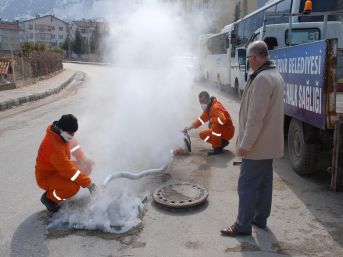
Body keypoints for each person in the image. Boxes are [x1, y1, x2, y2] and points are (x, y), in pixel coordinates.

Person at [221, 41, 284, 236]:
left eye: (249, 58)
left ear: (255, 58)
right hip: (268, 144)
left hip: (257, 144)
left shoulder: (263, 79)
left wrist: (245, 144)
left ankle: (242, 225)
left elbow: (256, 117)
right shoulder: (274, 75)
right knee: (264, 183)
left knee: (246, 185)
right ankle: (259, 219)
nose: (248, 62)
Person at [35, 114, 96, 213]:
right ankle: (50, 198)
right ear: (61, 129)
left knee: (86, 167)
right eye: (70, 133)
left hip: (59, 168)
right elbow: (69, 171)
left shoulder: (63, 134)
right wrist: (89, 185)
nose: (72, 135)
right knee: (72, 188)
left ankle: (63, 189)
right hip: (47, 176)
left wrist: (83, 159)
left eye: (73, 133)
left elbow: (74, 146)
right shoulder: (53, 147)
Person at [184, 91, 235, 155]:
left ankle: (217, 148)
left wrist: (212, 120)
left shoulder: (215, 107)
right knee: (202, 135)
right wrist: (189, 128)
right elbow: (201, 120)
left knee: (215, 125)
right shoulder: (209, 108)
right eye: (200, 102)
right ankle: (222, 143)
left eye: (203, 101)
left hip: (228, 131)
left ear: (208, 99)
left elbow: (223, 120)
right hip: (222, 130)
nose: (201, 104)